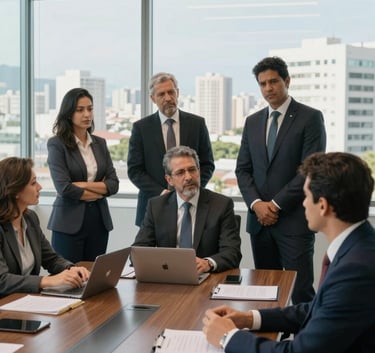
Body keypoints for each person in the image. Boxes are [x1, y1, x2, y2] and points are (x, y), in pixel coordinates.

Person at [203, 152, 375, 352]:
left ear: (323, 206)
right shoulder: (358, 247)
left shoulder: (356, 269)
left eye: (306, 196)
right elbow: (318, 309)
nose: (303, 204)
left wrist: (227, 337)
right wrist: (250, 318)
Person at [235, 56, 326, 304]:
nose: (268, 89)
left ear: (287, 81)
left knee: (301, 293)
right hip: (259, 224)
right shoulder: (252, 122)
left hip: (293, 222)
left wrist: (274, 205)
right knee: (265, 292)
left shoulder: (310, 118)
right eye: (262, 84)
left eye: (273, 81)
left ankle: (307, 342)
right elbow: (242, 170)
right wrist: (257, 204)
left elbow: (310, 170)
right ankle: (272, 342)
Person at [132, 146, 241, 274]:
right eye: (180, 173)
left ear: (199, 171)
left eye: (192, 170)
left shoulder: (221, 205)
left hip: (206, 278)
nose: (188, 177)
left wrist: (208, 263)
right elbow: (137, 251)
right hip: (168, 278)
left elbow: (232, 252)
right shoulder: (156, 206)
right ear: (169, 180)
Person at [127, 72, 215, 227]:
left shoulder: (197, 124)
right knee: (152, 251)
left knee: (189, 250)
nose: (167, 98)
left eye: (171, 92)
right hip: (152, 205)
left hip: (191, 203)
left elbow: (207, 164)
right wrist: (163, 195)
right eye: (161, 94)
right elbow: (135, 170)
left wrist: (190, 191)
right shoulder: (141, 128)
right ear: (152, 98)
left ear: (178, 93)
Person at [0, 157, 90, 298]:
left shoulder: (30, 219)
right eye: (33, 183)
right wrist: (46, 281)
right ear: (15, 190)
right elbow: (2, 280)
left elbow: (51, 258)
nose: (39, 187)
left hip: (25, 302)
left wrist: (71, 269)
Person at [47, 88, 119, 262]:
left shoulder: (100, 143)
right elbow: (64, 188)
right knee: (69, 278)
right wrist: (101, 190)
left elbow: (114, 184)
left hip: (98, 221)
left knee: (95, 277)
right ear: (68, 113)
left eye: (90, 109)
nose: (87, 114)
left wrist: (82, 184)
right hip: (68, 222)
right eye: (80, 110)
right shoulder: (57, 144)